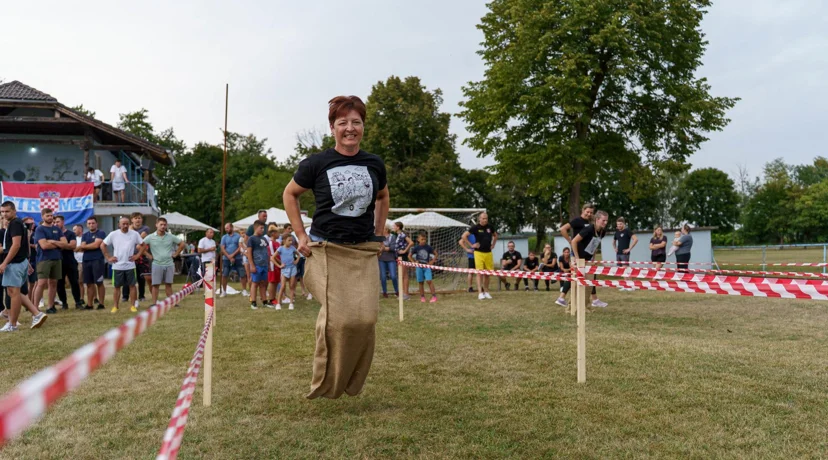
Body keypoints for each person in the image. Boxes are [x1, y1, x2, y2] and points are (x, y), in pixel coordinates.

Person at [282, 95, 390, 399]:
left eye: (356, 122)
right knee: (340, 319)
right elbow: (290, 194)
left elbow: (383, 197)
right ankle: (325, 382)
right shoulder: (317, 163)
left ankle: (351, 381)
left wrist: (379, 233)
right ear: (333, 128)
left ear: (363, 127)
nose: (350, 128)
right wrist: (300, 234)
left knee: (366, 319)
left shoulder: (374, 163)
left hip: (363, 250)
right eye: (343, 122)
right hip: (327, 248)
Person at [0, 201, 48, 332]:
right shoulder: (18, 223)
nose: (4, 214)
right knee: (18, 293)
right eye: (2, 211)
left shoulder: (15, 224)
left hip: (14, 263)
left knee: (13, 293)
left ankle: (12, 324)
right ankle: (37, 314)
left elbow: (16, 245)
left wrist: (4, 263)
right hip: (20, 262)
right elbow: (24, 244)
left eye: (7, 211)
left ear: (14, 211)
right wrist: (26, 261)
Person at [139, 217, 185, 307]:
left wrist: (176, 254)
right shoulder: (151, 237)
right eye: (161, 224)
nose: (163, 226)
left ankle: (172, 303)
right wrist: (148, 255)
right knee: (155, 285)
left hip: (169, 264)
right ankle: (154, 303)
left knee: (169, 284)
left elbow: (182, 244)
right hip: (157, 264)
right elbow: (139, 246)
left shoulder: (170, 236)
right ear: (156, 225)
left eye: (164, 225)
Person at [102, 217, 143, 313]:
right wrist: (108, 257)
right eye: (123, 224)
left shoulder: (134, 234)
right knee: (117, 287)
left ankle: (133, 306)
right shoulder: (113, 234)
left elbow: (143, 245)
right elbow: (102, 245)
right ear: (119, 224)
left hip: (130, 265)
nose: (125, 226)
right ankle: (115, 306)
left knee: (132, 286)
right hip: (117, 266)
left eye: (127, 224)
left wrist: (137, 255)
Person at [571, 210, 610, 308]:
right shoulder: (588, 229)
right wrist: (577, 258)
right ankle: (572, 307)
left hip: (588, 260)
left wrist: (593, 259)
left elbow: (595, 244)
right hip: (579, 259)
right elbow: (574, 241)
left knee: (589, 285)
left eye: (606, 221)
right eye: (603, 220)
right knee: (577, 285)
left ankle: (585, 307)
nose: (605, 223)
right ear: (597, 220)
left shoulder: (602, 232)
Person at [32, 208, 67, 314]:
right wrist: (57, 243)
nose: (50, 217)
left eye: (51, 215)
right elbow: (44, 245)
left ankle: (50, 306)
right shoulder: (40, 229)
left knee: (53, 283)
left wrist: (52, 241)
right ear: (42, 216)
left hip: (56, 258)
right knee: (41, 283)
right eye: (48, 216)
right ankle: (35, 308)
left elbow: (65, 243)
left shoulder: (57, 229)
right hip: (44, 259)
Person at [462, 212, 498, 300]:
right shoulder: (475, 227)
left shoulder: (490, 227)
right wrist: (471, 245)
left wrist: (493, 245)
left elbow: (495, 235)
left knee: (487, 274)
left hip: (488, 253)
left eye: (486, 218)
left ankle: (486, 292)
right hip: (478, 253)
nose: (485, 220)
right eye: (483, 218)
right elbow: (464, 236)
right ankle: (480, 293)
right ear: (479, 219)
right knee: (479, 273)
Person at [54, 215, 83, 309]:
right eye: (55, 222)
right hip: (58, 262)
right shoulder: (53, 234)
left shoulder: (70, 233)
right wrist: (65, 244)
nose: (56, 224)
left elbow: (73, 246)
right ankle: (64, 303)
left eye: (58, 222)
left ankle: (78, 302)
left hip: (70, 261)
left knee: (74, 282)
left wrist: (57, 244)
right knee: (60, 284)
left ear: (63, 222)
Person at [80, 216, 107, 310]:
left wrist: (85, 246)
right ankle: (89, 304)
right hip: (86, 260)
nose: (91, 225)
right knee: (89, 283)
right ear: (87, 225)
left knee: (99, 282)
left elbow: (96, 245)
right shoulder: (84, 235)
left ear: (96, 224)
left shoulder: (101, 233)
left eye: (93, 223)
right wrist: (87, 246)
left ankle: (101, 304)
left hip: (97, 260)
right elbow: (82, 246)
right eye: (89, 223)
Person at [126, 213, 152, 302]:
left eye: (139, 218)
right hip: (129, 256)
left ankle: (141, 296)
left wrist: (131, 229)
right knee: (128, 277)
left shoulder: (145, 229)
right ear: (132, 220)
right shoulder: (127, 229)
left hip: (141, 256)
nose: (137, 220)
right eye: (135, 218)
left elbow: (138, 239)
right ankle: (125, 296)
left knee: (142, 277)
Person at [246, 221, 270, 310]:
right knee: (255, 283)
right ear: (256, 228)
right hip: (257, 265)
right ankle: (253, 302)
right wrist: (252, 265)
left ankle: (264, 301)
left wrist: (268, 264)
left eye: (263, 228)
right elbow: (249, 253)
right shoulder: (251, 239)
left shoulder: (264, 238)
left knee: (263, 283)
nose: (263, 230)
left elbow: (267, 252)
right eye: (261, 228)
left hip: (264, 265)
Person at [408, 231, 437, 303]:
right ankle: (422, 297)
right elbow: (409, 256)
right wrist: (414, 263)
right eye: (422, 239)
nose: (423, 241)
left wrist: (432, 262)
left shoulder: (428, 247)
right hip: (419, 267)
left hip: (426, 267)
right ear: (418, 239)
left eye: (425, 239)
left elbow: (436, 254)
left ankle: (434, 296)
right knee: (420, 282)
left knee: (429, 280)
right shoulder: (416, 248)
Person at [219, 223, 247, 298]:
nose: (226, 229)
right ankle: (224, 291)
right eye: (225, 228)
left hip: (237, 258)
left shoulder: (238, 236)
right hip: (226, 259)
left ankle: (244, 290)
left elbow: (240, 246)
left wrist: (233, 255)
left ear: (231, 227)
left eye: (227, 228)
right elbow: (222, 248)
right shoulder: (224, 237)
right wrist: (229, 256)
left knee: (242, 274)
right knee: (224, 275)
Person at [612, 217, 638, 292]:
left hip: (625, 254)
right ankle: (626, 285)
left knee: (626, 269)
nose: (619, 225)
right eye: (618, 224)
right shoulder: (617, 232)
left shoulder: (627, 231)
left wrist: (629, 249)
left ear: (623, 224)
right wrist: (615, 248)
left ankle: (631, 286)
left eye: (620, 224)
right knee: (622, 270)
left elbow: (636, 239)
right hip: (618, 253)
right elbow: (613, 242)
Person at [275, 234, 299, 310]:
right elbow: (272, 257)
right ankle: (278, 303)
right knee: (282, 286)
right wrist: (279, 266)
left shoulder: (293, 248)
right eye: (289, 240)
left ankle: (291, 303)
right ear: (284, 240)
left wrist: (296, 261)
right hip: (284, 270)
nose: (291, 242)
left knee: (292, 286)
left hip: (292, 268)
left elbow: (299, 255)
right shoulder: (280, 248)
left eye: (291, 240)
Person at [394, 222, 414, 300]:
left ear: (398, 227)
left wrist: (405, 250)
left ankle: (406, 294)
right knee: (401, 275)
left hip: (403, 256)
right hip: (398, 256)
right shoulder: (398, 235)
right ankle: (403, 293)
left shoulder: (402, 234)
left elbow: (411, 242)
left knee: (404, 275)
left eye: (394, 226)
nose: (393, 227)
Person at [378, 226, 398, 298]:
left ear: (386, 230)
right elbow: (378, 248)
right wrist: (385, 248)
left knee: (393, 276)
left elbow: (393, 248)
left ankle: (397, 291)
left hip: (391, 259)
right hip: (381, 259)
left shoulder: (392, 237)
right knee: (383, 277)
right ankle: (384, 292)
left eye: (383, 229)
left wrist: (383, 248)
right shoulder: (379, 237)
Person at [265, 227, 282, 306]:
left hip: (278, 265)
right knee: (272, 282)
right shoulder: (271, 243)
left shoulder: (278, 243)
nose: (279, 234)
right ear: (273, 234)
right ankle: (271, 299)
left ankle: (274, 298)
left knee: (276, 282)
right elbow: (272, 256)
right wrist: (280, 263)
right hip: (273, 266)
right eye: (277, 233)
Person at [23, 216, 37, 303]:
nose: (32, 225)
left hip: (35, 259)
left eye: (33, 223)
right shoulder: (24, 233)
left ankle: (30, 302)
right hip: (27, 260)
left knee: (34, 283)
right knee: (27, 283)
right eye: (30, 223)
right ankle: (27, 302)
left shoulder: (35, 233)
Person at [72, 224, 85, 300]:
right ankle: (79, 297)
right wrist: (79, 248)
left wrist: (77, 248)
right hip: (75, 262)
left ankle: (82, 297)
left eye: (75, 229)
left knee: (81, 281)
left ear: (80, 229)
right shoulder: (74, 239)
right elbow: (72, 248)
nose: (73, 231)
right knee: (77, 281)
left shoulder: (84, 238)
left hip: (82, 262)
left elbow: (84, 248)